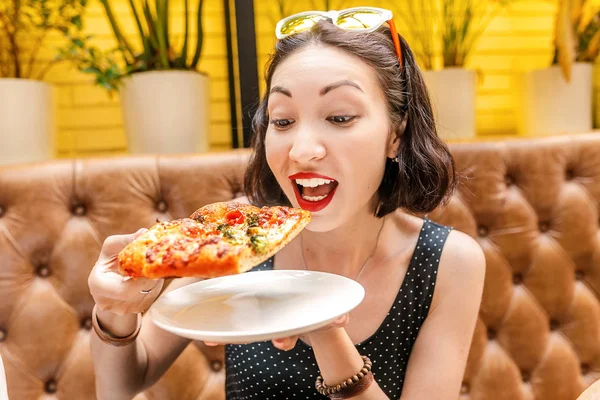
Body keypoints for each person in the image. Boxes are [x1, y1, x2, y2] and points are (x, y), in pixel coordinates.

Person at [88, 7, 486, 400]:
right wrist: (114, 308)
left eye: (341, 117)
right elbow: (122, 385)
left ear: (395, 135)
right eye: (282, 121)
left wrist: (323, 328)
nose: (302, 150)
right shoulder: (238, 234)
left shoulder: (449, 262)